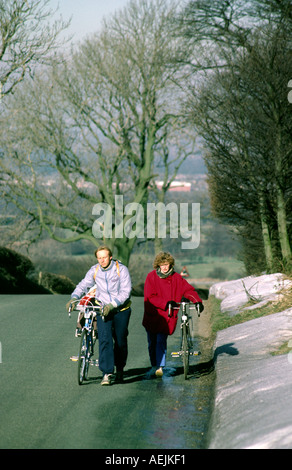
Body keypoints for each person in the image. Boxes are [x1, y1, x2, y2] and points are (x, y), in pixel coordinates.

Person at [66, 246, 132, 386]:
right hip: (102, 308)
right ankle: (106, 373)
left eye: (104, 257)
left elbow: (126, 291)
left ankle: (119, 369)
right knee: (104, 339)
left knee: (120, 341)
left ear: (110, 257)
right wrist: (74, 298)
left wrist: (112, 305)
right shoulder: (95, 270)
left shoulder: (121, 269)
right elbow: (83, 284)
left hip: (121, 309)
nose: (102, 260)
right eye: (99, 258)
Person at [142, 251, 203, 377]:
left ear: (171, 265)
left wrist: (197, 301)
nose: (165, 267)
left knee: (161, 340)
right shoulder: (151, 277)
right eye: (162, 264)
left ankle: (160, 366)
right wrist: (165, 303)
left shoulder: (176, 278)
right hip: (153, 314)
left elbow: (188, 290)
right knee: (152, 342)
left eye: (167, 264)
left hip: (168, 315)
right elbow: (150, 296)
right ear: (158, 265)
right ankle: (154, 364)